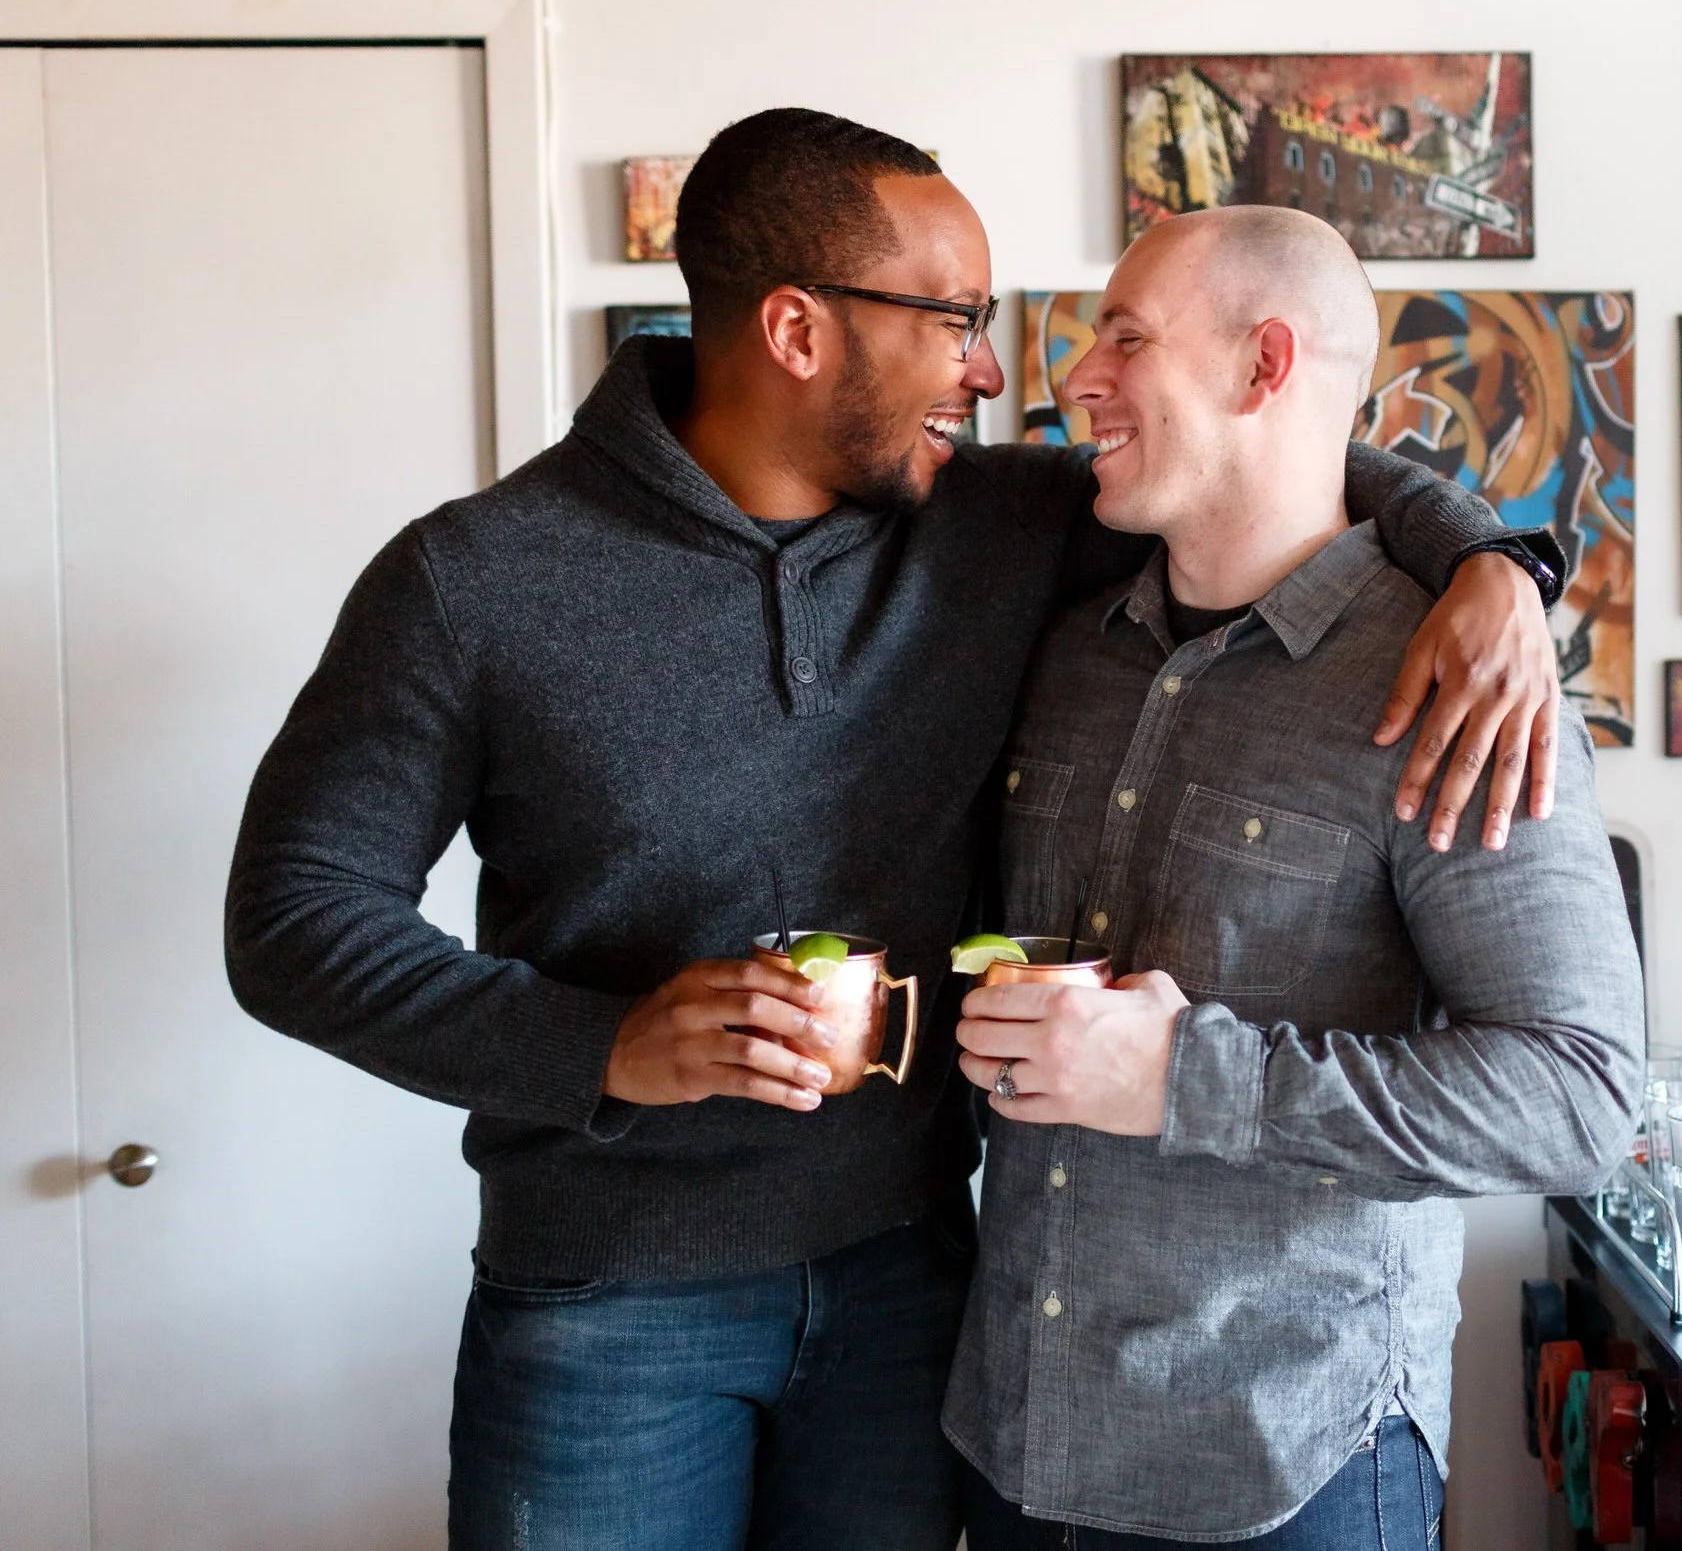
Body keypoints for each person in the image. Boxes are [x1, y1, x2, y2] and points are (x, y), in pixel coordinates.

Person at [223, 111, 1569, 1551]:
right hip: (606, 1306)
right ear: (799, 331)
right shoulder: (473, 578)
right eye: (953, 320)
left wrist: (1490, 560)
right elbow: (294, 918)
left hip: (916, 1294)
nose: (995, 370)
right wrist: (600, 1045)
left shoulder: (996, 522)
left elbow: (1277, 454)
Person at [945, 205, 1645, 1549]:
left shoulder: (1458, 685)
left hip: (1288, 1467)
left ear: (1265, 367)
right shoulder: (1071, 647)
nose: (1077, 376)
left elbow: (1581, 1098)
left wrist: (1180, 1074)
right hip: (1016, 1441)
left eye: (1127, 337)